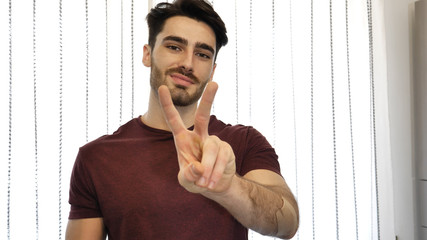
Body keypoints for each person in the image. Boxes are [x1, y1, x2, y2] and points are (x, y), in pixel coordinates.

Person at [65, 0, 299, 239]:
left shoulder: (243, 141)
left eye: (202, 54)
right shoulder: (95, 158)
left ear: (213, 70)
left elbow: (287, 222)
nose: (188, 63)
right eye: (175, 47)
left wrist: (228, 187)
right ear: (148, 55)